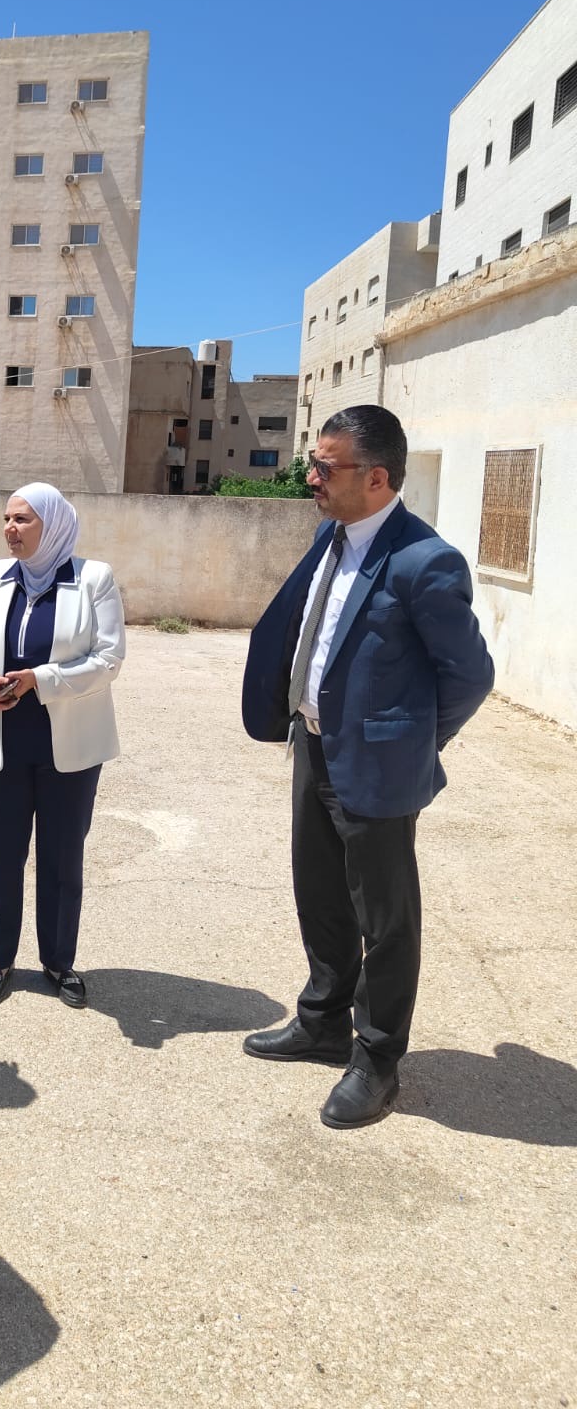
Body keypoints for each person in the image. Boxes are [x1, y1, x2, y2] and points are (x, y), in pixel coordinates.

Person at [241, 406, 493, 1128]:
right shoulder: (331, 537)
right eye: (313, 463)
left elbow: (469, 676)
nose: (311, 477)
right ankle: (323, 1022)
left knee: (385, 920)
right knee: (320, 895)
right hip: (315, 746)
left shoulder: (424, 561)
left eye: (326, 467)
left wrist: (410, 743)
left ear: (377, 478)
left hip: (379, 768)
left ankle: (377, 1059)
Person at [0, 482, 126, 1008]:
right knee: (0, 855)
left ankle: (57, 962)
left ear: (52, 525)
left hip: (69, 746)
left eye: (23, 520)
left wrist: (40, 680)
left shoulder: (93, 579)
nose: (11, 529)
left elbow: (108, 659)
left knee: (61, 857)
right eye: (7, 519)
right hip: (2, 738)